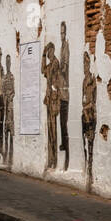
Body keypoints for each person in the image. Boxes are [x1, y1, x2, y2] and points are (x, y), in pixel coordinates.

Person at [81, 51, 97, 189]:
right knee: (84, 144)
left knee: (90, 144)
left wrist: (87, 108)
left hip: (90, 115)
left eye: (86, 63)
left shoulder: (92, 80)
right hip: (84, 114)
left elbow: (93, 101)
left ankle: (90, 170)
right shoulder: (84, 80)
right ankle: (86, 168)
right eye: (83, 64)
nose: (84, 66)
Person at [42, 42, 59, 172]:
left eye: (49, 51)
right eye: (47, 52)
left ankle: (54, 160)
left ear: (53, 51)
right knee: (50, 130)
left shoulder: (55, 63)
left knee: (53, 130)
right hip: (48, 99)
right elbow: (43, 70)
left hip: (54, 100)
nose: (48, 54)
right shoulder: (49, 64)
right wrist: (42, 53)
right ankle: (50, 159)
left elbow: (50, 73)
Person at [57, 22, 71, 172]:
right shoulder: (62, 47)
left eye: (63, 33)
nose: (61, 35)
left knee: (64, 122)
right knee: (61, 121)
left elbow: (65, 66)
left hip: (65, 91)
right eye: (60, 33)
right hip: (61, 90)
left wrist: (59, 69)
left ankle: (66, 145)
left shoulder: (65, 47)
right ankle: (63, 142)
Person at [2, 52, 15, 168]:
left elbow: (14, 91)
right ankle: (5, 154)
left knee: (11, 130)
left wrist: (9, 97)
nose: (8, 64)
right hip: (5, 106)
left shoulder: (11, 77)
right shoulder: (4, 77)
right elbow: (2, 91)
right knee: (5, 130)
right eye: (6, 62)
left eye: (9, 62)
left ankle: (11, 154)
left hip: (10, 106)